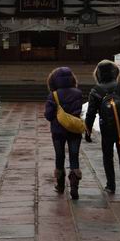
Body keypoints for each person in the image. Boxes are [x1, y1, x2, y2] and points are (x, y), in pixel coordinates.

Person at [84, 59, 120, 199]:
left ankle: (111, 185)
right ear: (115, 72)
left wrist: (88, 131)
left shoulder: (96, 91)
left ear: (98, 74)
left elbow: (90, 113)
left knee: (108, 156)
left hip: (107, 129)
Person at [44, 66, 84, 199]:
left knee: (59, 156)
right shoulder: (78, 93)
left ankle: (60, 186)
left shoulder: (53, 95)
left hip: (58, 131)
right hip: (74, 130)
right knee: (74, 156)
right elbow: (78, 111)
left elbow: (48, 115)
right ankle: (74, 187)